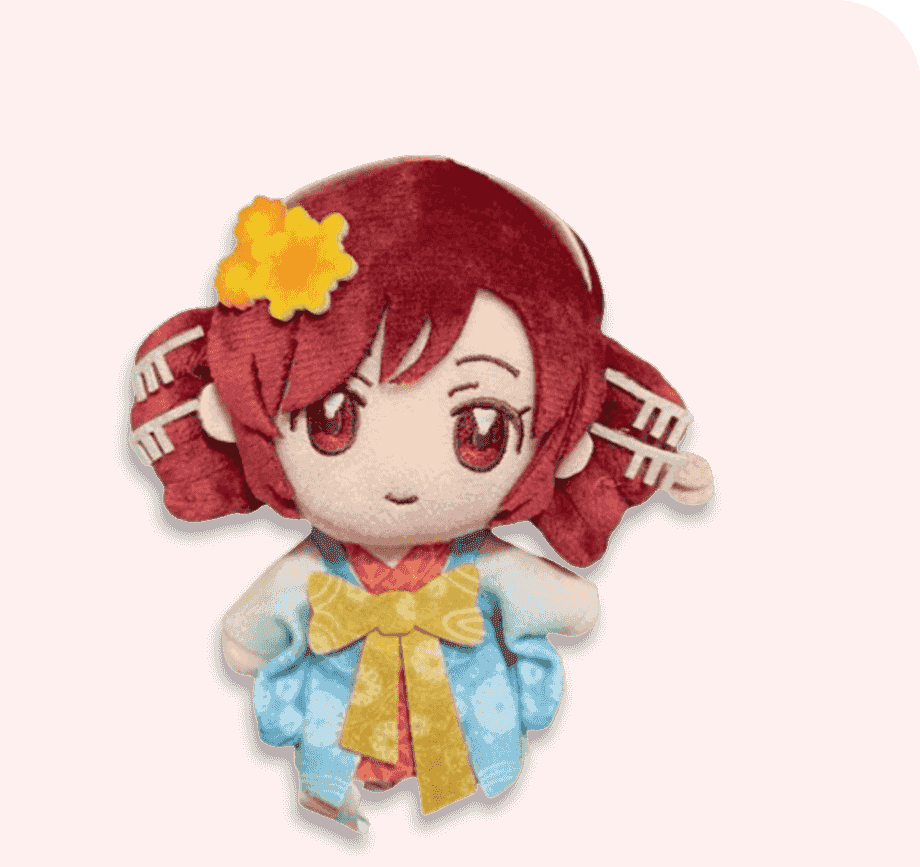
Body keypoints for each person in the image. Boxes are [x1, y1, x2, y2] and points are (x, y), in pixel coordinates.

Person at [129, 157, 713, 832]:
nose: (401, 474)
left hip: (468, 739)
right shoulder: (319, 573)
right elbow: (251, 628)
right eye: (332, 421)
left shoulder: (475, 566)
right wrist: (247, 637)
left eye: (480, 432)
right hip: (338, 728)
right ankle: (331, 790)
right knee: (330, 754)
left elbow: (571, 606)